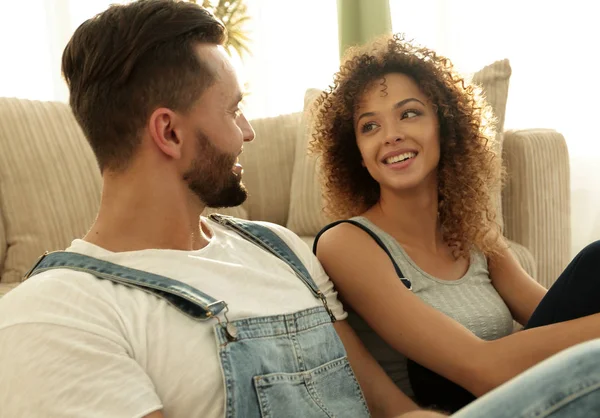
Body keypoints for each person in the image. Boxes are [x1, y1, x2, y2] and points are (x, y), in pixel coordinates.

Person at [0, 2, 599, 417]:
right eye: (234, 110)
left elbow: (394, 411)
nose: (248, 133)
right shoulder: (53, 316)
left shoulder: (279, 247)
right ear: (169, 133)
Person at [311, 33, 600, 413]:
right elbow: (484, 368)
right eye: (369, 126)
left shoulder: (475, 235)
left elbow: (558, 320)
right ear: (359, 156)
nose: (392, 135)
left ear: (444, 128)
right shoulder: (346, 243)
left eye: (409, 113)